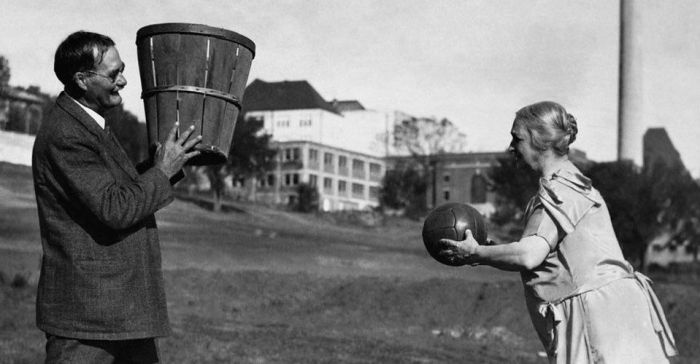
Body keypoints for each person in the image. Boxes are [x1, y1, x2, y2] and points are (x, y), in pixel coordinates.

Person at [438, 101, 678, 363]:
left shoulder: (559, 190)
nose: (511, 147)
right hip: (613, 310)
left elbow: (529, 255)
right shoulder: (572, 183)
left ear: (540, 140)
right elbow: (546, 257)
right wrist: (492, 250)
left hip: (597, 317)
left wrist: (476, 252)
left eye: (516, 138)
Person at [32, 31, 201, 363]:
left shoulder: (88, 124)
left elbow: (114, 191)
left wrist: (168, 163)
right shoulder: (65, 134)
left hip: (120, 313)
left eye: (122, 69)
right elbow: (115, 208)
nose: (123, 81)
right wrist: (162, 171)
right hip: (87, 320)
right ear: (81, 79)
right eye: (113, 74)